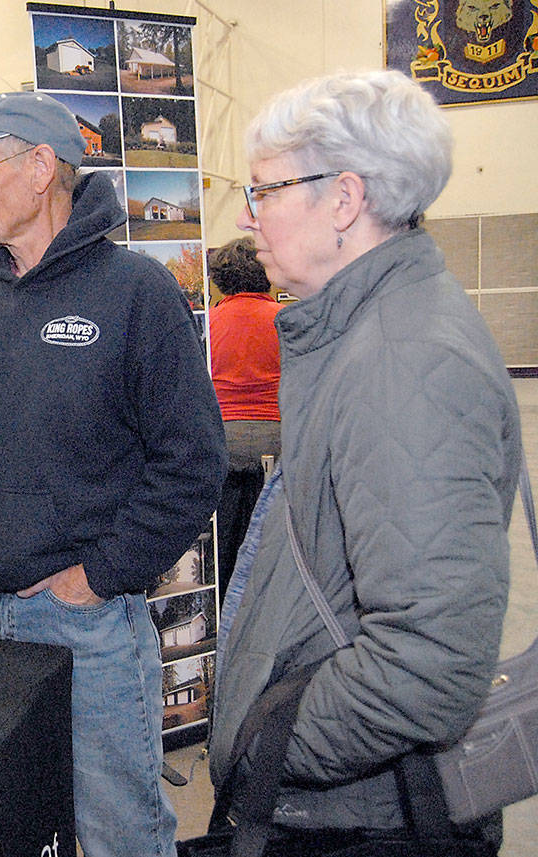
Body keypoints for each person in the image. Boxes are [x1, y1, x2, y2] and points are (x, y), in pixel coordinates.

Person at [209, 70, 521, 854]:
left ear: (344, 200)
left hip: (363, 818)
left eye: (265, 192)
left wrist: (269, 747)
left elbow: (430, 660)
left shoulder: (403, 359)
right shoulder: (365, 333)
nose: (252, 222)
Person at [0, 92, 226, 857]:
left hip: (82, 626)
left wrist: (101, 574)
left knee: (120, 830)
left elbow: (192, 463)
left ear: (40, 168)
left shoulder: (139, 294)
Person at [207, 237, 282, 594]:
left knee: (223, 541)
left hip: (223, 440)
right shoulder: (286, 319)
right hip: (277, 439)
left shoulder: (209, 322)